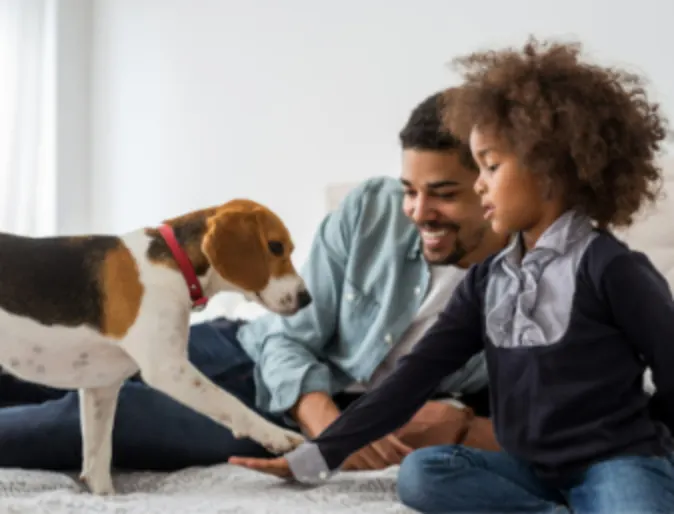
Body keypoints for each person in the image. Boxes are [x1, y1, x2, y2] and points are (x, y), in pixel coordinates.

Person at [229, 37, 674, 513]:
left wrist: (646, 449)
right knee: (423, 474)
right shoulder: (487, 281)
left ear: (549, 172)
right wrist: (318, 457)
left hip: (613, 464)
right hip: (528, 470)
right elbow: (412, 379)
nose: (479, 183)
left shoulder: (612, 268)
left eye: (491, 165)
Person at [0, 91, 507, 473]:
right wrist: (327, 425)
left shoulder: (532, 284)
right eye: (410, 190)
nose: (419, 212)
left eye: (443, 194)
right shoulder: (372, 209)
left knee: (87, 420)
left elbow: (547, 417)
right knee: (29, 364)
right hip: (246, 350)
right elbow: (291, 335)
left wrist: (458, 423)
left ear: (491, 182)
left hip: (290, 418)